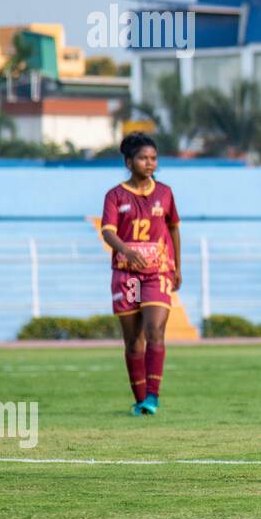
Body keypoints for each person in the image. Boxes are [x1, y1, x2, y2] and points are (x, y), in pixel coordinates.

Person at [101, 132, 181, 416]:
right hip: (127, 275)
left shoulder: (165, 193)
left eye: (153, 158)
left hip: (157, 272)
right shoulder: (116, 195)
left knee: (155, 331)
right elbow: (107, 231)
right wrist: (126, 250)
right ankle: (140, 399)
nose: (149, 163)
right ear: (129, 161)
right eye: (143, 158)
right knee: (134, 340)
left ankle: (152, 397)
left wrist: (177, 266)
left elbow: (173, 228)